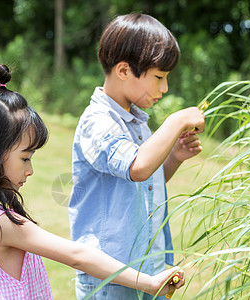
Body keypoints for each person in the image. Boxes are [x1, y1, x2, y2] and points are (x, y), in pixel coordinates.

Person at [0, 64, 185, 299]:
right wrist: (149, 283)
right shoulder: (4, 225)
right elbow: (78, 256)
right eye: (25, 158)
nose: (31, 170)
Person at [68, 13, 205, 300]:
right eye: (159, 77)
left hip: (146, 269)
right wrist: (176, 120)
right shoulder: (98, 122)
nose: (164, 88)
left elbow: (145, 182)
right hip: (110, 275)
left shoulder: (137, 121)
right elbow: (138, 168)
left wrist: (174, 157)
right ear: (123, 70)